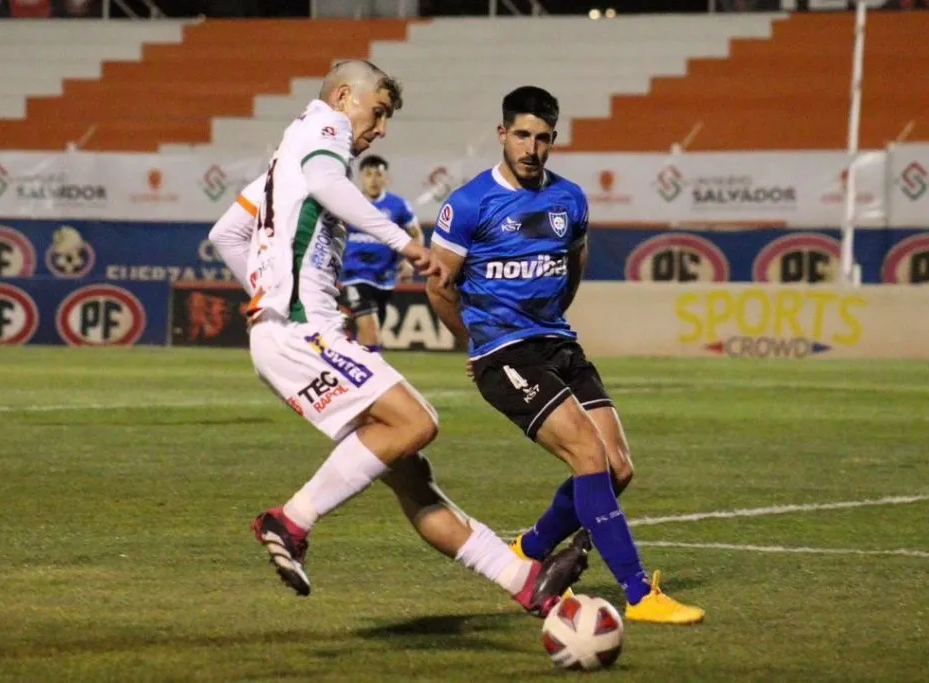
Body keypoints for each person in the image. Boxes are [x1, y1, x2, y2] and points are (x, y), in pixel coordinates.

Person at [207, 62, 587, 617]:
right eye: (378, 112)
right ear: (343, 97)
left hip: (289, 329)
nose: (380, 128)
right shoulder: (324, 128)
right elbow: (328, 184)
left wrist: (266, 292)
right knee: (416, 422)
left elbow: (227, 233)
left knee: (412, 476)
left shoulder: (282, 159)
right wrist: (403, 244)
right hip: (299, 330)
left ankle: (524, 581)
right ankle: (289, 521)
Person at [425, 85, 705, 625]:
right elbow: (439, 287)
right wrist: (477, 339)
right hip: (504, 351)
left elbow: (572, 266)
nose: (532, 147)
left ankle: (528, 550)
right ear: (502, 134)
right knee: (589, 456)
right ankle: (639, 594)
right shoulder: (468, 204)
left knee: (618, 467)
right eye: (522, 135)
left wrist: (551, 321)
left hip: (558, 342)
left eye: (543, 138)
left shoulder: (570, 198)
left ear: (554, 140)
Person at [338, 154, 422, 351]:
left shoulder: (398, 206)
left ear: (386, 178)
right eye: (368, 174)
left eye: (378, 174)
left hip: (384, 278)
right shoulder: (349, 202)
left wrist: (409, 261)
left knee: (370, 332)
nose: (373, 180)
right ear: (360, 177)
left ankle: (359, 366)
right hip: (354, 275)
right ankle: (373, 374)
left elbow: (416, 235)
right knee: (370, 327)